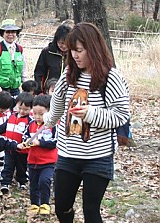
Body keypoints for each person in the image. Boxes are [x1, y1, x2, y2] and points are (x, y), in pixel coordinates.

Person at [43, 22, 130, 222]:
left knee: (91, 212)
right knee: (62, 208)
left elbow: (121, 115)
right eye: (72, 50)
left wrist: (90, 113)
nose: (75, 55)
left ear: (93, 48)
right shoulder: (69, 75)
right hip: (68, 154)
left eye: (80, 50)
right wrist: (48, 121)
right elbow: (57, 104)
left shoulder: (111, 77)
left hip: (98, 156)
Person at [20, 94, 57, 215]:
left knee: (44, 181)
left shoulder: (53, 126)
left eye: (41, 114)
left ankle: (45, 204)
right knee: (33, 183)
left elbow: (55, 142)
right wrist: (25, 142)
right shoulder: (31, 124)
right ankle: (34, 204)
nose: (37, 117)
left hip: (48, 162)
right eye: (35, 113)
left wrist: (40, 143)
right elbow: (24, 136)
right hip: (32, 161)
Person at [0, 92, 34, 194]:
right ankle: (5, 182)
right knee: (8, 165)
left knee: (21, 166)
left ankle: (22, 181)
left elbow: (30, 134)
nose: (22, 111)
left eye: (26, 109)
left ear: (31, 109)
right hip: (9, 147)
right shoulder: (11, 117)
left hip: (22, 150)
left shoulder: (30, 121)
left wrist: (25, 143)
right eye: (20, 108)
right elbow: (3, 127)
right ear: (16, 105)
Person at [34, 23, 72, 93]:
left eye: (67, 43)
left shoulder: (74, 54)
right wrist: (39, 91)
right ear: (56, 40)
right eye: (61, 43)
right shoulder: (47, 52)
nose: (64, 46)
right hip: (49, 91)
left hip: (68, 91)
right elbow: (39, 73)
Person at [0, 19, 28, 97]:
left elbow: (23, 70)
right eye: (7, 32)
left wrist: (26, 86)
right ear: (2, 34)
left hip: (15, 89)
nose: (10, 34)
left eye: (13, 32)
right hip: (1, 89)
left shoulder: (20, 49)